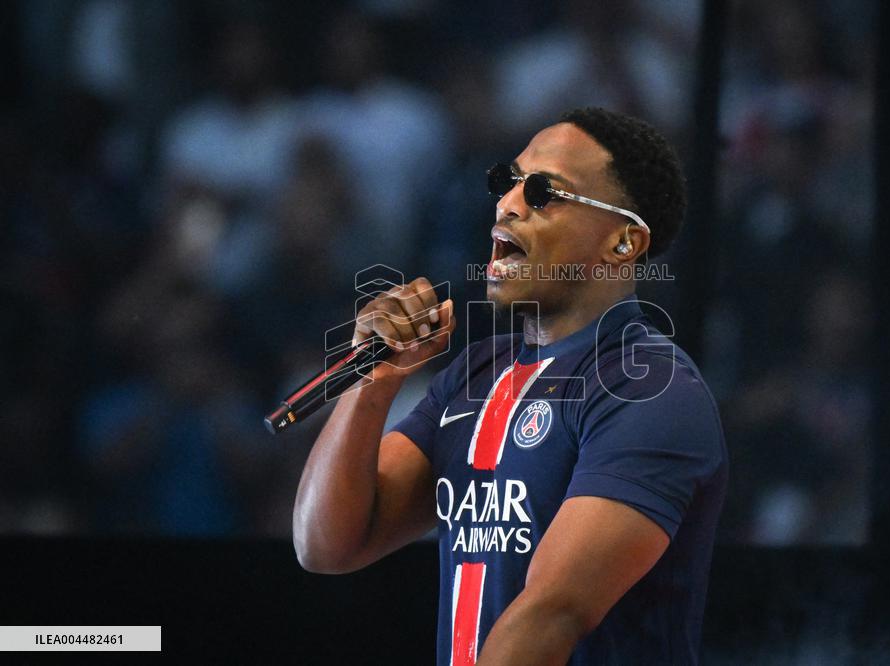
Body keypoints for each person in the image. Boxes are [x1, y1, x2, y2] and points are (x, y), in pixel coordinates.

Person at [293, 107, 728, 665]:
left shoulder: (650, 387)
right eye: (508, 181)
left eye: (545, 191)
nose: (509, 203)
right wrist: (371, 382)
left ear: (622, 242)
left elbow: (550, 613)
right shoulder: (474, 376)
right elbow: (326, 543)